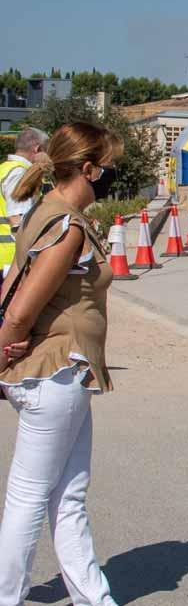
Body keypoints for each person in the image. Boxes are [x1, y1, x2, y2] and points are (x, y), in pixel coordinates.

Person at [0, 122, 121, 606]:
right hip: (55, 372)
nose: (113, 175)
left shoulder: (46, 213)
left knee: (67, 496)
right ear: (87, 169)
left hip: (62, 373)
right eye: (108, 167)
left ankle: (94, 597)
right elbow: (21, 307)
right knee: (30, 499)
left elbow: (8, 283)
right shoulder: (66, 225)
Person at [0, 128, 49, 273]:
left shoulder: (4, 169)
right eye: (46, 151)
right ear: (37, 149)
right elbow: (18, 219)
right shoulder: (20, 174)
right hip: (11, 260)